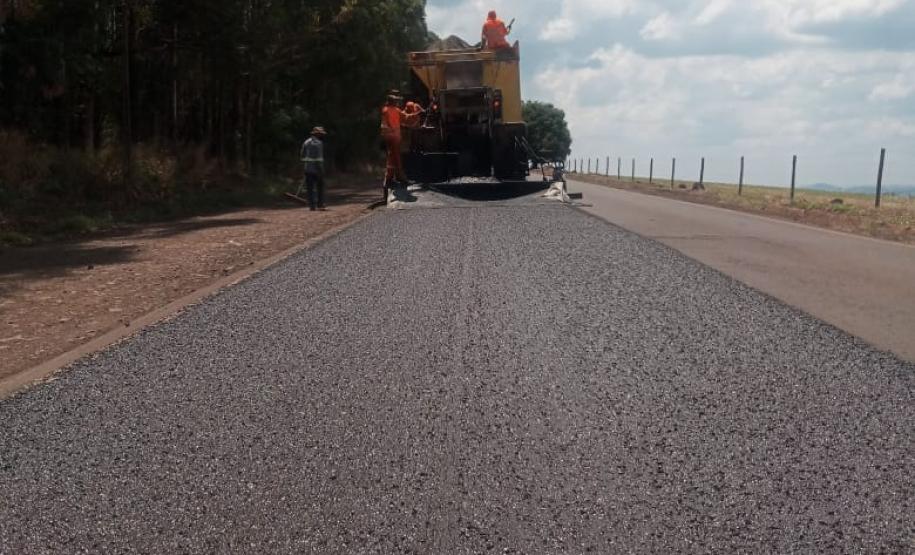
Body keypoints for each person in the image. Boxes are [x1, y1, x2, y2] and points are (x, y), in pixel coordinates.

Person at [381, 94, 409, 186]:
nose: (397, 102)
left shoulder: (386, 110)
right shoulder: (394, 110)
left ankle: (389, 178)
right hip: (393, 137)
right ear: (392, 102)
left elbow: (403, 116)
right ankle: (400, 177)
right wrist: (418, 112)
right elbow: (406, 117)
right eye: (396, 101)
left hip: (388, 137)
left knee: (392, 157)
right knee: (396, 156)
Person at [300, 126, 327, 211]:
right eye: (321, 134)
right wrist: (321, 170)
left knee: (310, 187)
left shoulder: (306, 142)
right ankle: (320, 204)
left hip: (308, 168)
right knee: (320, 186)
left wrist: (306, 164)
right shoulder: (319, 143)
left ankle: (312, 205)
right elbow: (319, 158)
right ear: (318, 134)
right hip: (317, 169)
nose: (322, 135)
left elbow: (302, 155)